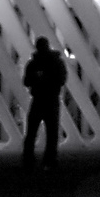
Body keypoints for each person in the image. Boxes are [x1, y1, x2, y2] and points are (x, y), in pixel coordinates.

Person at [22, 37, 69, 170]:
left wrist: (37, 78)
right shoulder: (57, 62)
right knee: (52, 132)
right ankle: (49, 160)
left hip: (38, 99)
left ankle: (29, 159)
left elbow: (26, 81)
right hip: (51, 99)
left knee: (31, 132)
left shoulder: (33, 63)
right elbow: (62, 79)